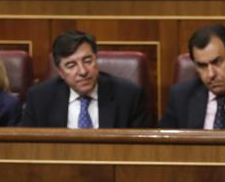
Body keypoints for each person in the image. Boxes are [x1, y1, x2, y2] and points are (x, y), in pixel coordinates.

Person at [21, 30, 149, 128]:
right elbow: (27, 148)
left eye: (88, 61)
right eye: (71, 65)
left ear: (96, 60)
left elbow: (141, 151)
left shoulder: (129, 96)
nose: (82, 71)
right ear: (60, 72)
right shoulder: (39, 99)